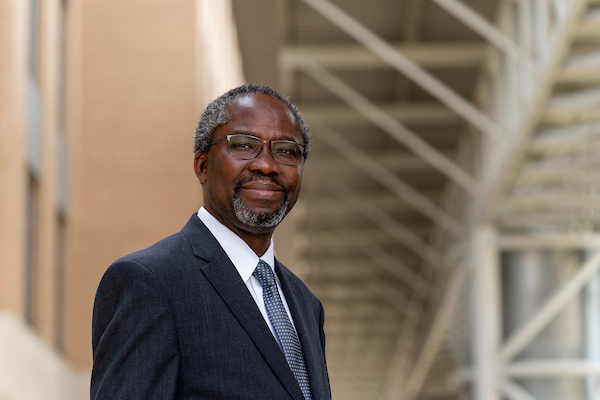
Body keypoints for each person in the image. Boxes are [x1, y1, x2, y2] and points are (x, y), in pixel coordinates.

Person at [91, 83, 331, 400]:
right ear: (203, 166)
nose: (267, 165)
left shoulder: (305, 304)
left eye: (286, 151)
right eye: (244, 145)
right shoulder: (149, 282)